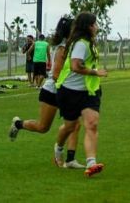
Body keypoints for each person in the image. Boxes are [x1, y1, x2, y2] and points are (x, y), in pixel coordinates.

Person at [9, 16, 84, 168]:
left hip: (66, 90)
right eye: (75, 27)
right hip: (53, 91)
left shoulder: (73, 46)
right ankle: (18, 124)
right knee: (43, 127)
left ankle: (69, 159)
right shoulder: (63, 48)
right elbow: (56, 75)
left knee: (75, 124)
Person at [53, 12, 107, 176]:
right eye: (95, 24)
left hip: (89, 92)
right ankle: (59, 147)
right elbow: (76, 66)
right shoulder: (81, 44)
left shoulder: (90, 42)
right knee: (70, 126)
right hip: (69, 91)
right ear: (89, 26)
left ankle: (91, 163)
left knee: (92, 123)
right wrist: (95, 72)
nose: (97, 27)